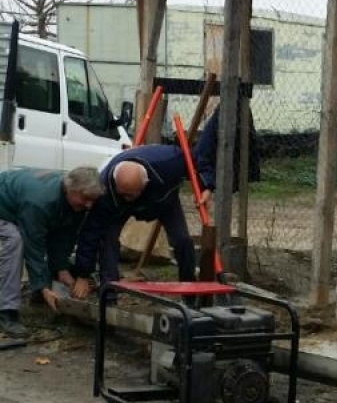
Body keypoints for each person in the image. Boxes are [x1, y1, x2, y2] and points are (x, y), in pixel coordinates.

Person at [70, 108, 220, 300]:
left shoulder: (169, 161)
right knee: (107, 240)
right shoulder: (105, 191)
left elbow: (198, 160)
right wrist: (82, 274)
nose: (130, 198)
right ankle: (108, 296)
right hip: (118, 209)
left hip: (163, 201)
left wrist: (206, 185)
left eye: (133, 194)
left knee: (182, 241)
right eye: (125, 194)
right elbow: (90, 232)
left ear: (145, 182)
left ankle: (189, 292)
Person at [0, 166, 104, 337]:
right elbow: (33, 246)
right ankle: (6, 312)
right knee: (14, 240)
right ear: (70, 189)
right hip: (3, 209)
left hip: (16, 206)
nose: (89, 204)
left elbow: (63, 238)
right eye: (85, 198)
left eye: (92, 200)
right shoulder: (40, 202)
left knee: (29, 239)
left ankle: (39, 295)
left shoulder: (74, 202)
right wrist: (42, 287)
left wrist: (61, 269)